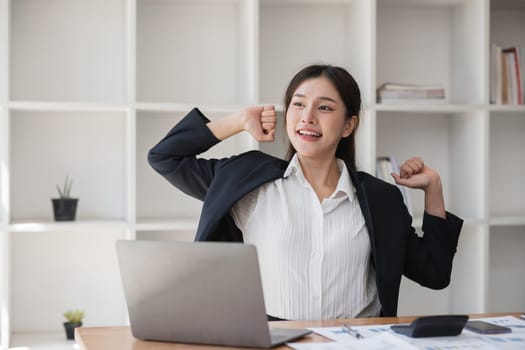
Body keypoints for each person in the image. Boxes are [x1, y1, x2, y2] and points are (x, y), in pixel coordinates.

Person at [148, 64, 463, 320]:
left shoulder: (380, 197)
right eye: (298, 104)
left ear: (348, 125)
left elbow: (434, 273)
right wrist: (239, 121)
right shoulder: (245, 179)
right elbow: (165, 157)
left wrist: (433, 188)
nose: (307, 116)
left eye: (324, 107)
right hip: (273, 340)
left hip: (357, 342)